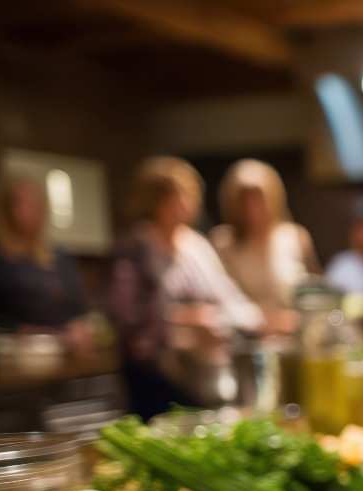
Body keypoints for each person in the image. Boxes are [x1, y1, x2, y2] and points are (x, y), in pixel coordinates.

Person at [108, 156, 263, 418]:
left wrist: (253, 319)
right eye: (175, 196)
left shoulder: (196, 246)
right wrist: (185, 320)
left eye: (188, 195)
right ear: (154, 201)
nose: (184, 204)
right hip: (155, 375)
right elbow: (125, 315)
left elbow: (229, 298)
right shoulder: (134, 249)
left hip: (204, 372)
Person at [0, 178, 93, 352]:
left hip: (61, 353)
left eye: (34, 204)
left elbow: (79, 307)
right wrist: (19, 330)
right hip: (12, 355)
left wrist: (79, 326)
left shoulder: (60, 256)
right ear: (4, 211)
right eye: (20, 203)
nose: (28, 211)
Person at [210, 159, 317, 332]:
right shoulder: (223, 242)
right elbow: (221, 298)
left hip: (295, 332)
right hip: (247, 336)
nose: (252, 207)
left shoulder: (295, 236)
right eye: (244, 199)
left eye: (258, 197)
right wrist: (262, 321)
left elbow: (313, 291)